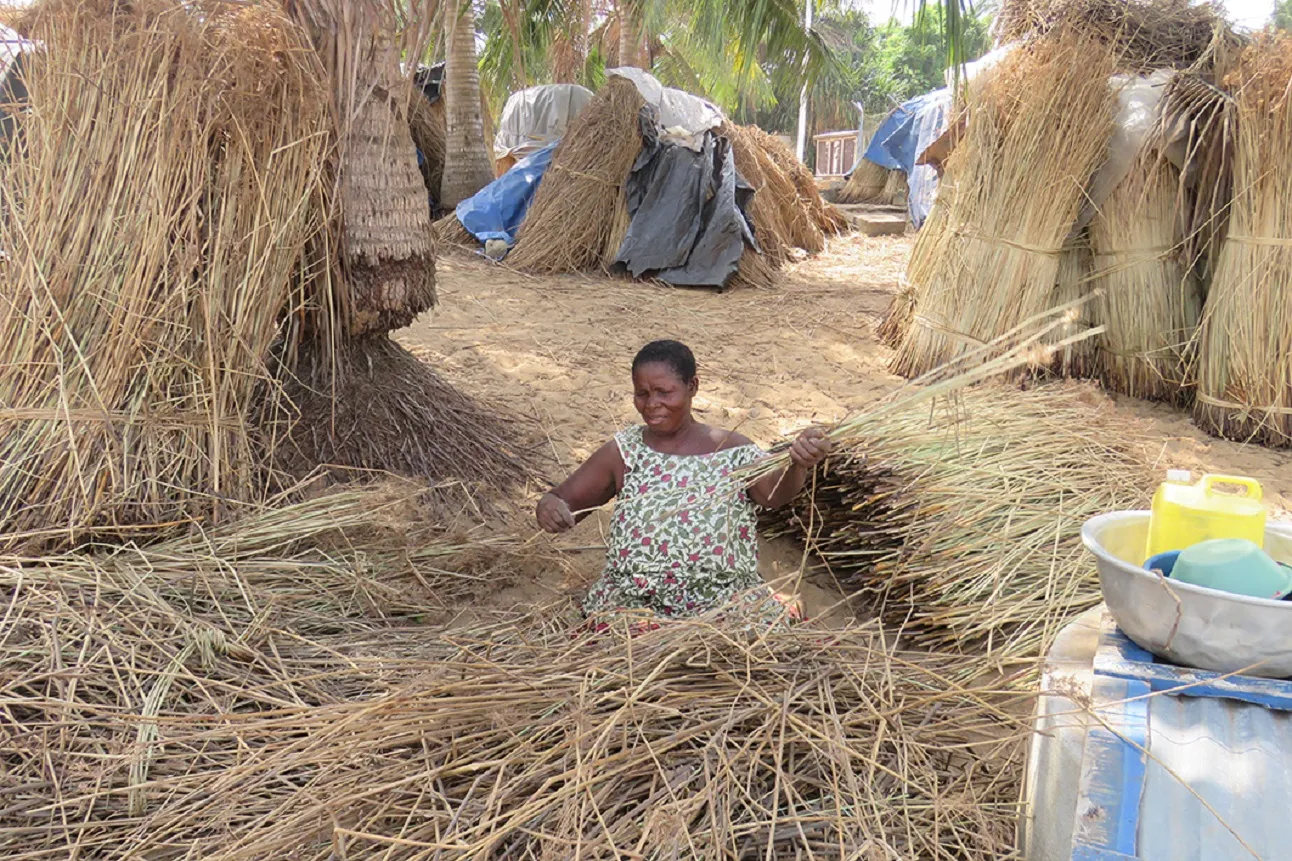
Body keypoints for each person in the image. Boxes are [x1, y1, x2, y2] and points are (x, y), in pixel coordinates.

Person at [536, 339, 831, 623]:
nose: (652, 404)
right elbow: (563, 499)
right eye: (642, 394)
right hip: (634, 604)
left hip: (721, 604)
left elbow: (774, 495)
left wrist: (798, 464)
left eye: (664, 392)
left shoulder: (732, 450)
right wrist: (550, 508)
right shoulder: (625, 451)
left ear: (692, 387)